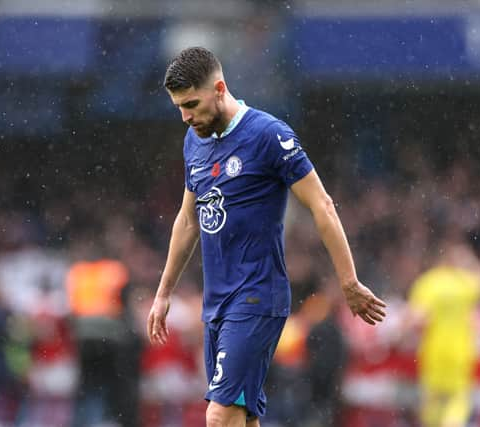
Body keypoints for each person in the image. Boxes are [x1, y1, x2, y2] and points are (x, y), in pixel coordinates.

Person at [147, 46, 387, 427]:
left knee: (219, 415)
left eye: (191, 103)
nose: (185, 116)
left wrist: (349, 281)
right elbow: (188, 221)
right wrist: (163, 294)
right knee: (242, 417)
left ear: (220, 88)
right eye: (179, 106)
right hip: (217, 302)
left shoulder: (268, 135)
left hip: (257, 296)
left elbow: (322, 205)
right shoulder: (194, 140)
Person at [407, 241, 480, 427]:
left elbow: (416, 318)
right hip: (460, 351)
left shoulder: (428, 282)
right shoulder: (463, 281)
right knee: (458, 399)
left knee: (433, 399)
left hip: (434, 350)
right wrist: (470, 261)